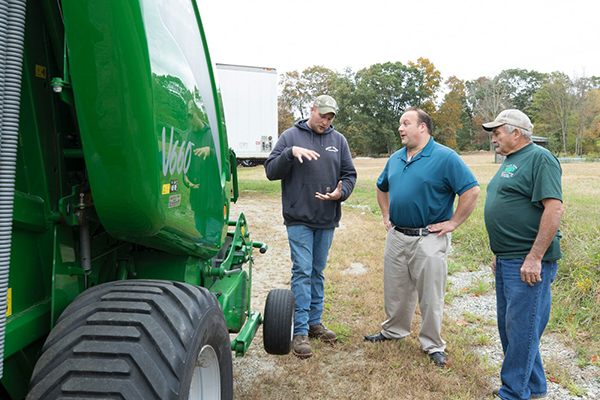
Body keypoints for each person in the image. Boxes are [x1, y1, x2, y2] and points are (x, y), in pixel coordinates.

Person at [364, 107, 480, 368]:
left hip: (429, 236)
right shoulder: (395, 158)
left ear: (423, 127)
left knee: (430, 295)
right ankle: (394, 331)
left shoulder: (445, 157)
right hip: (397, 236)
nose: (400, 129)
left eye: (406, 123)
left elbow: (471, 191)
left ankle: (432, 344)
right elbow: (382, 187)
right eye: (400, 124)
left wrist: (453, 222)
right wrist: (386, 215)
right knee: (395, 289)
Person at [264, 95, 357, 359]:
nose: (326, 122)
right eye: (322, 116)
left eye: (330, 119)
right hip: (299, 218)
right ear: (312, 110)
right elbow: (271, 170)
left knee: (317, 271)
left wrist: (342, 193)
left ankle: (315, 322)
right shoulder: (290, 136)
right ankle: (301, 330)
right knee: (302, 271)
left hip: (326, 217)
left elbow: (349, 174)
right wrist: (289, 153)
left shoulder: (338, 141)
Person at [483, 109, 564, 400]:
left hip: (527, 261)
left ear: (516, 132)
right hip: (508, 258)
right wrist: (500, 252)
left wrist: (534, 257)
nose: (493, 138)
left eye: (497, 132)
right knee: (514, 328)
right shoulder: (512, 160)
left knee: (521, 330)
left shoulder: (539, 158)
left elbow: (553, 208)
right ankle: (535, 387)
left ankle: (513, 393)